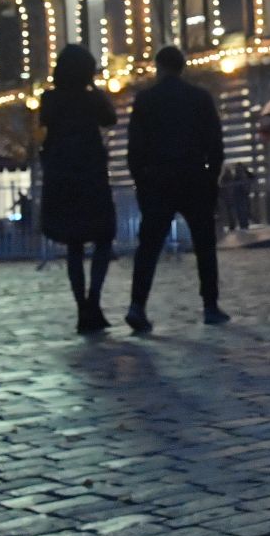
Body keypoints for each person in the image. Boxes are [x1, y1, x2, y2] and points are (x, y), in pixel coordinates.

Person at [125, 46, 227, 332]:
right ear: (183, 67)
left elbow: (135, 148)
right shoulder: (200, 98)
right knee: (204, 245)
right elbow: (215, 144)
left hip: (158, 180)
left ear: (159, 67)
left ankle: (137, 305)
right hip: (194, 177)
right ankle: (210, 306)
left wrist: (141, 181)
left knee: (148, 247)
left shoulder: (145, 100)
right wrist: (211, 178)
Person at [38, 44, 119, 334]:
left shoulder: (50, 99)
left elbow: (45, 123)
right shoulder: (89, 100)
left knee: (74, 244)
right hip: (90, 175)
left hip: (62, 177)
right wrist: (94, 88)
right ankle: (93, 300)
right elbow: (111, 118)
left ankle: (81, 306)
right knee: (102, 237)